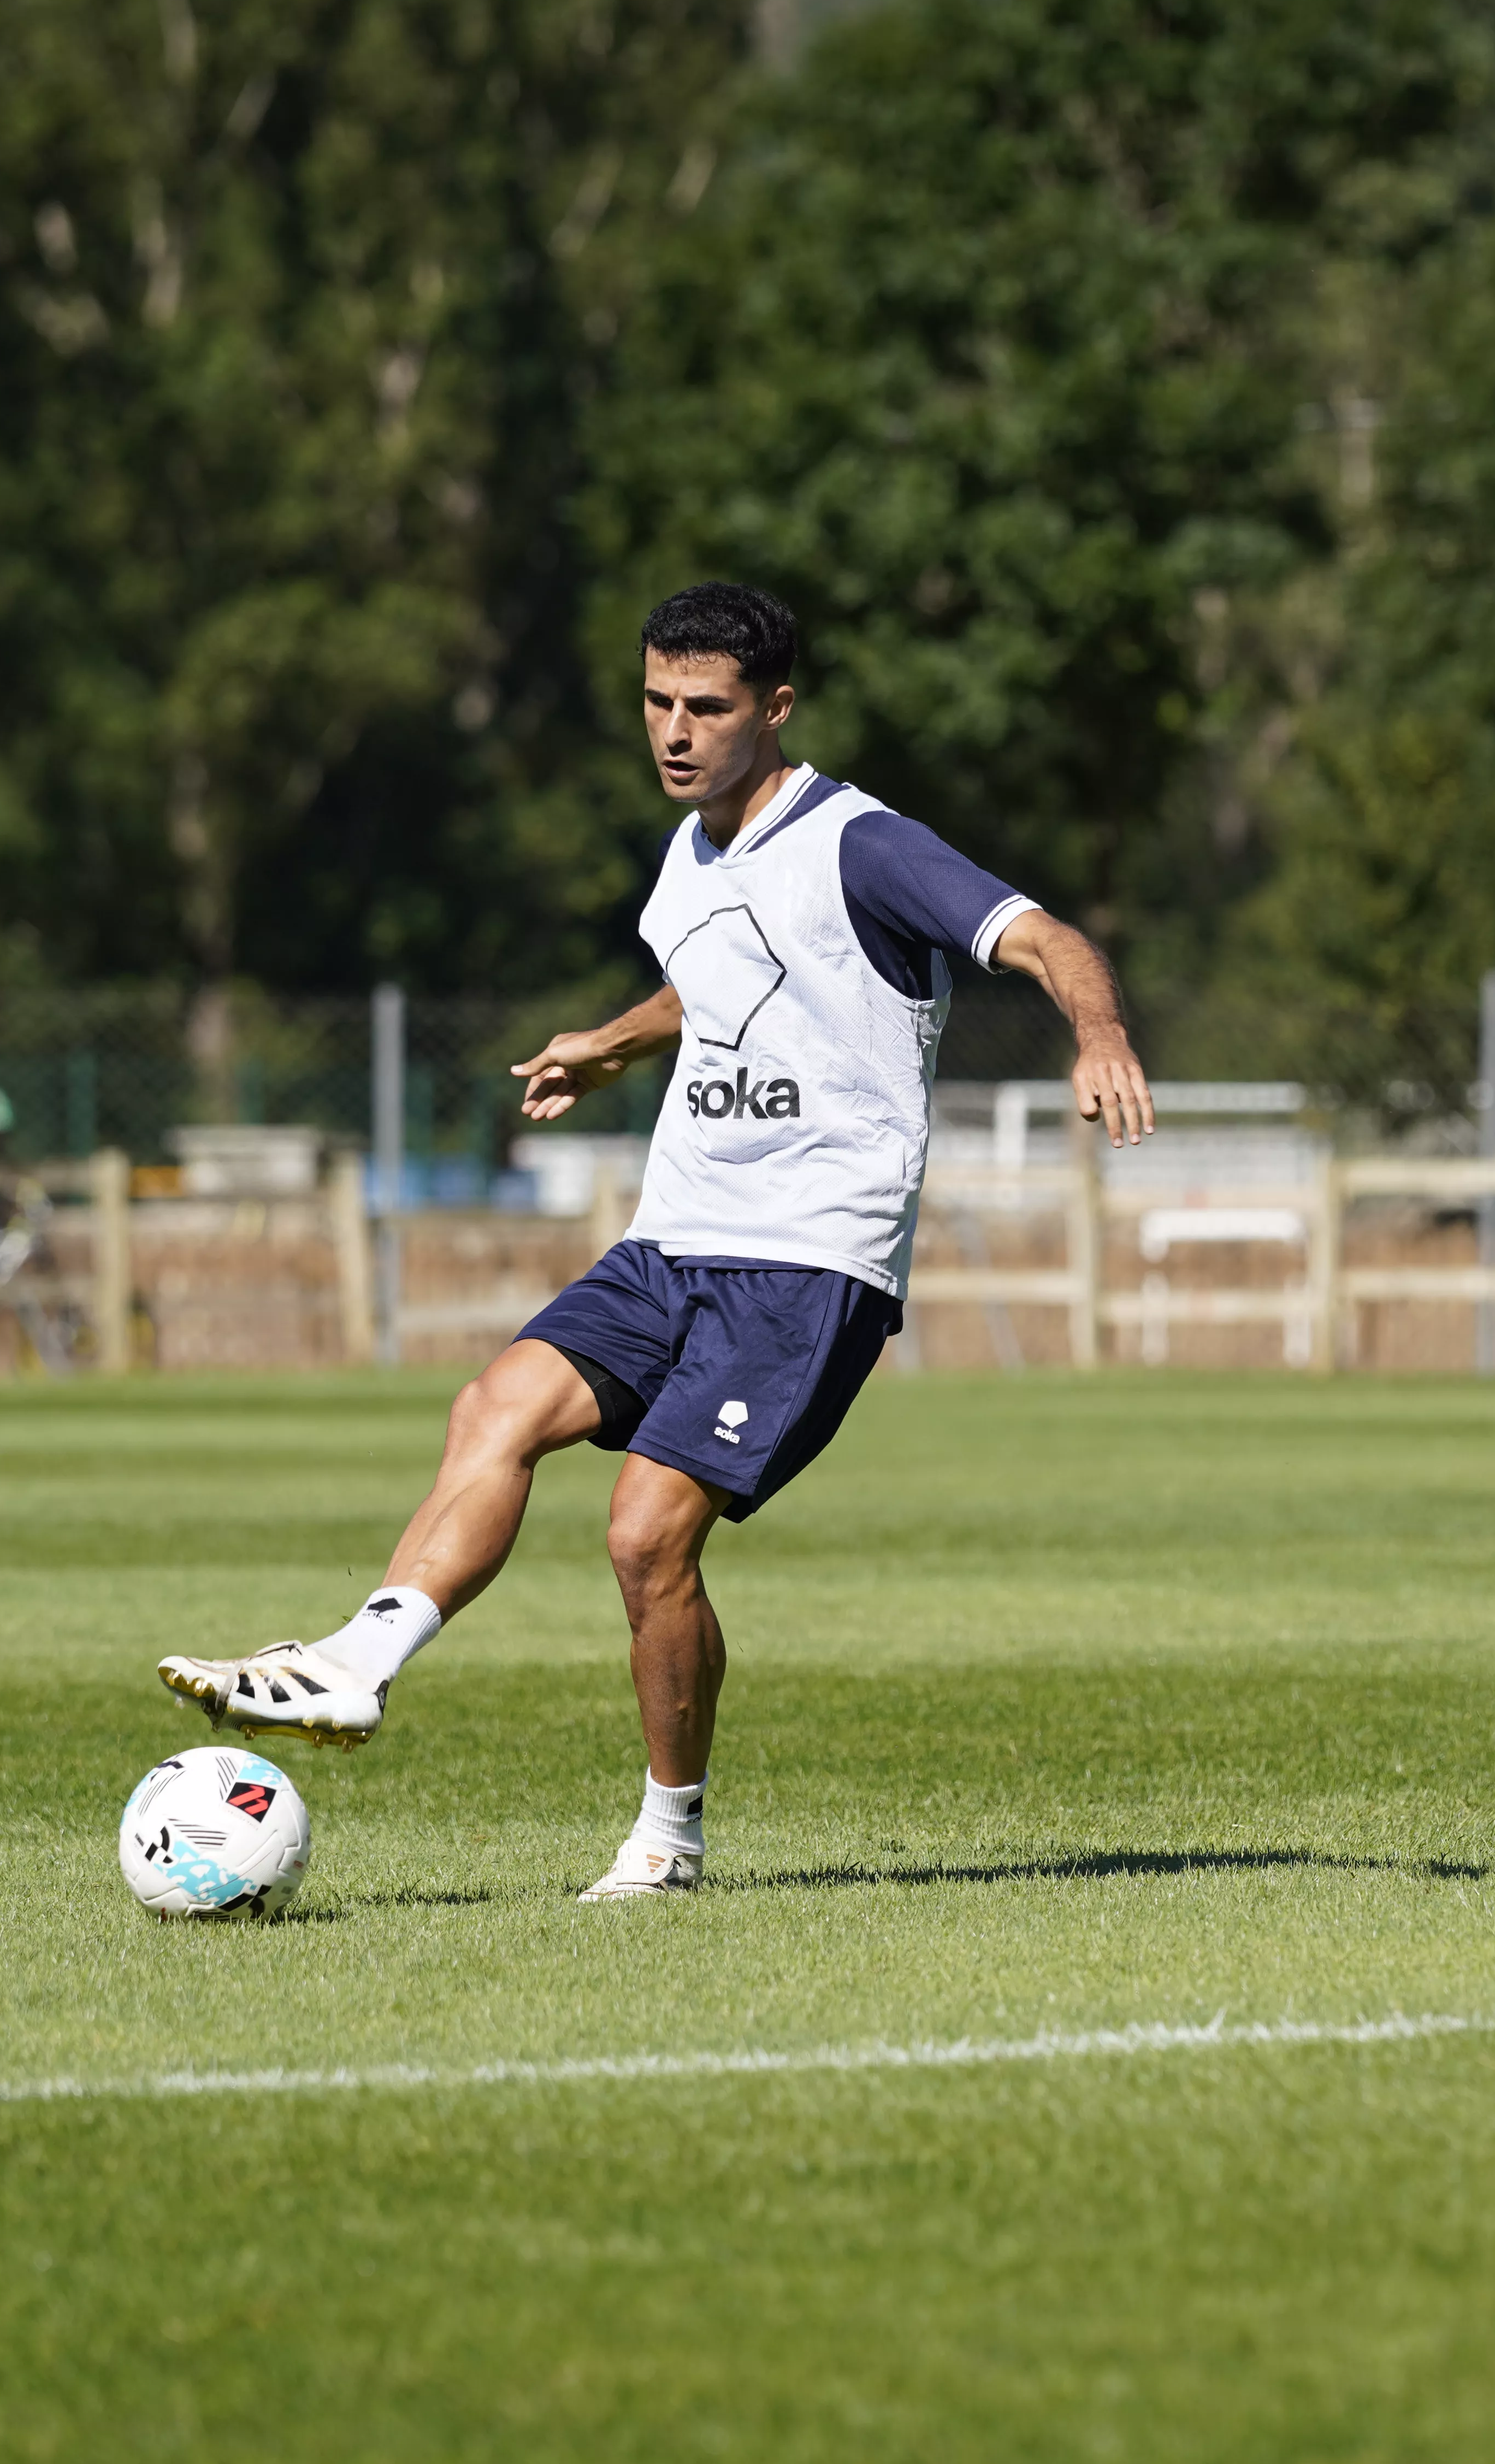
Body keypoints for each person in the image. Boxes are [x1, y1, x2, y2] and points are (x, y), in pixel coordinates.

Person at [157, 581, 1155, 1898]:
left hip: (807, 1262)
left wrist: (1100, 1032)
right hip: (675, 1234)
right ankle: (356, 1664)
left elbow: (1041, 937)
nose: (675, 731)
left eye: (707, 708)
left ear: (776, 710)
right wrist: (613, 1045)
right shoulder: (691, 851)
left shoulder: (863, 844)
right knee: (495, 1403)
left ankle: (668, 1839)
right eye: (656, 702)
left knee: (643, 1537)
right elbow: (725, 980)